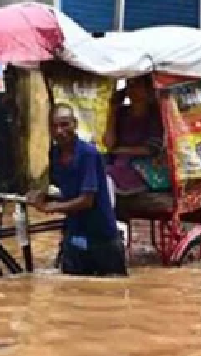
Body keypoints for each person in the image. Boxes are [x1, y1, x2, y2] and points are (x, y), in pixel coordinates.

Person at [29, 104, 128, 277]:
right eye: (54, 126)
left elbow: (86, 200)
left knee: (112, 289)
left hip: (101, 236)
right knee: (72, 287)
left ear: (75, 124)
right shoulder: (54, 153)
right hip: (75, 234)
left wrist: (50, 207)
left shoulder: (88, 154)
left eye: (64, 125)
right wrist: (41, 195)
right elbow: (59, 186)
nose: (59, 131)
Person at [103, 76, 166, 195]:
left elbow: (151, 149)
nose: (132, 89)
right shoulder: (121, 113)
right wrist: (113, 110)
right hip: (117, 163)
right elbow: (109, 144)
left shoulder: (155, 115)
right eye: (129, 85)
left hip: (142, 168)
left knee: (109, 176)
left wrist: (119, 150)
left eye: (137, 85)